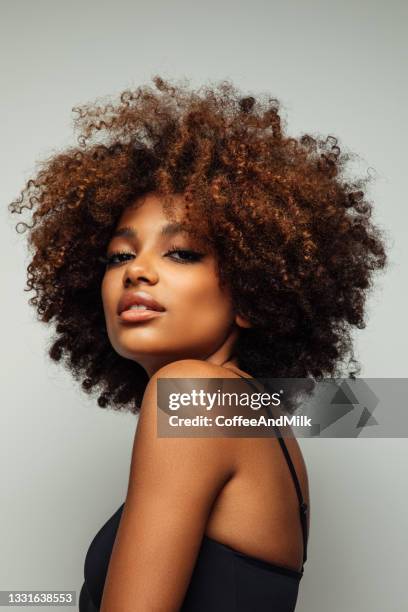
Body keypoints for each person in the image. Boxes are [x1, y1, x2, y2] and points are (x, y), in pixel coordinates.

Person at [9, 76, 387, 611]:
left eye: (181, 253)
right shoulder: (252, 418)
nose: (137, 271)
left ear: (252, 296)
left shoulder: (195, 396)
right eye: (119, 256)